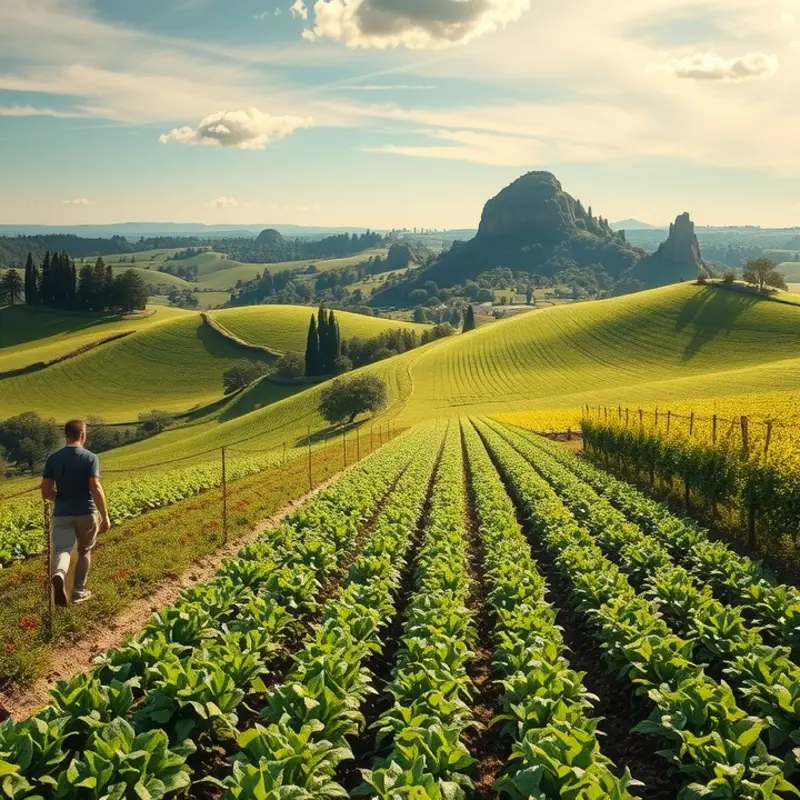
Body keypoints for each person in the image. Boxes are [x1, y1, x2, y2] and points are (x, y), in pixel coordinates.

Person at [41, 419, 111, 607]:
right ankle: (78, 591)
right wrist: (105, 516)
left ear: (66, 435)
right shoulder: (90, 457)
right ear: (82, 435)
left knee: (63, 550)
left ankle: (59, 574)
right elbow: (95, 487)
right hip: (86, 513)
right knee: (84, 551)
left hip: (62, 514)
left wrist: (60, 498)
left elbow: (46, 491)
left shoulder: (53, 458)